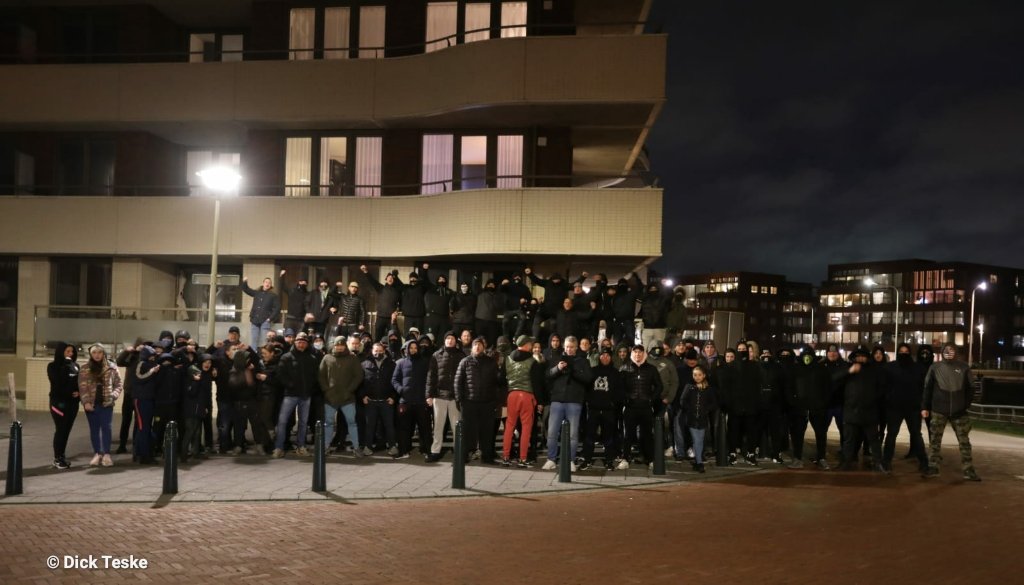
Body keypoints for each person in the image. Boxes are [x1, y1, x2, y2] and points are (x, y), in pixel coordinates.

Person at [922, 344, 980, 481]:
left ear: (956, 352)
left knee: (964, 442)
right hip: (938, 410)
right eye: (946, 350)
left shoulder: (964, 367)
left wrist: (965, 405)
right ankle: (933, 467)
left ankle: (969, 469)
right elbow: (927, 389)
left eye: (952, 350)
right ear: (942, 352)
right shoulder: (934, 367)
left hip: (959, 412)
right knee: (935, 441)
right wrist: (925, 407)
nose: (949, 353)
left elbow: (971, 388)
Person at [541, 336, 593, 471]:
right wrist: (557, 368)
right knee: (552, 432)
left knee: (573, 434)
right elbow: (547, 375)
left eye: (571, 347)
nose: (569, 349)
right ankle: (551, 459)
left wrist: (573, 371)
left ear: (576, 347)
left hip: (574, 401)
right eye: (567, 347)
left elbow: (588, 379)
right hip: (557, 400)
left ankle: (570, 460)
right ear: (564, 346)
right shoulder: (556, 359)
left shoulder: (583, 361)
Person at [835, 346, 886, 473]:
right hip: (851, 411)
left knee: (874, 440)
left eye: (863, 356)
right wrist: (849, 371)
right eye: (858, 356)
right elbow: (834, 379)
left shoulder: (874, 370)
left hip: (869, 412)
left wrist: (873, 400)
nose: (860, 358)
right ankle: (846, 462)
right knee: (849, 440)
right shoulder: (848, 368)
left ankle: (878, 462)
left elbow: (882, 388)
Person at [500, 335, 546, 467]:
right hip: (527, 396)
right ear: (526, 345)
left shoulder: (507, 359)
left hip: (512, 395)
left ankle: (506, 457)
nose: (532, 346)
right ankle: (523, 458)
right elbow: (537, 384)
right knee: (526, 428)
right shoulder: (533, 362)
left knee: (509, 426)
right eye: (530, 344)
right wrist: (540, 401)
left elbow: (501, 379)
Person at [454, 337, 501, 464]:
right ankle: (463, 456)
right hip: (469, 402)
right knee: (467, 431)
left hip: (487, 402)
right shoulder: (465, 362)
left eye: (480, 345)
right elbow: (458, 381)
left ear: (484, 348)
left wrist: (496, 400)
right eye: (475, 345)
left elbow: (498, 383)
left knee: (487, 431)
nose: (478, 347)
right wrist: (459, 399)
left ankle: (487, 457)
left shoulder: (491, 362)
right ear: (472, 348)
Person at [617, 345, 665, 469]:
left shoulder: (651, 369)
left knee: (647, 435)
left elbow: (659, 386)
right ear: (632, 353)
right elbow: (619, 387)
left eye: (640, 352)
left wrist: (651, 399)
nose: (638, 354)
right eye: (635, 352)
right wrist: (626, 398)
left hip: (646, 407)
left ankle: (650, 459)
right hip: (630, 407)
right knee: (628, 434)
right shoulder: (624, 368)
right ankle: (625, 459)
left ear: (644, 354)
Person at [272, 332, 319, 458]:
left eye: (304, 341)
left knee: (303, 423)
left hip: (306, 395)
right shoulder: (286, 357)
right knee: (282, 421)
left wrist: (310, 388)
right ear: (295, 342)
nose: (301, 343)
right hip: (290, 395)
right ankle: (279, 447)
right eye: (299, 341)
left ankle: (301, 446)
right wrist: (290, 385)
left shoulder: (312, 359)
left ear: (307, 344)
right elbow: (280, 375)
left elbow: (315, 377)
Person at [77, 343, 123, 467]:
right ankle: (98, 453)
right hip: (91, 404)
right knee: (94, 429)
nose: (97, 355)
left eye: (99, 352)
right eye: (94, 353)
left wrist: (113, 395)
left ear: (104, 353)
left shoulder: (111, 367)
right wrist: (86, 402)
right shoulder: (85, 368)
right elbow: (82, 387)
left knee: (106, 428)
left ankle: (107, 454)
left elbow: (119, 384)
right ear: (91, 354)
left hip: (106, 404)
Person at [318, 336, 365, 456]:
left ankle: (356, 447)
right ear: (334, 345)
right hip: (330, 397)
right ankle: (325, 446)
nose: (339, 347)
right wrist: (326, 390)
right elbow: (321, 376)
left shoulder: (352, 359)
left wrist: (350, 390)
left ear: (345, 345)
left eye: (341, 345)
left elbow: (358, 376)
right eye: (337, 345)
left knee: (352, 423)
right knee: (328, 423)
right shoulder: (327, 358)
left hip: (347, 398)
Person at [581, 348, 625, 470]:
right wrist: (590, 402)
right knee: (589, 436)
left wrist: (612, 404)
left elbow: (620, 391)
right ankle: (587, 460)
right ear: (599, 357)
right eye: (602, 355)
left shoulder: (615, 373)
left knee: (608, 436)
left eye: (607, 355)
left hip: (608, 410)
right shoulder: (592, 371)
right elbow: (586, 389)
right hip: (593, 409)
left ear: (611, 358)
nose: (605, 357)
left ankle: (609, 461)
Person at [425, 331, 464, 462]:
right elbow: (431, 377)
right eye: (447, 338)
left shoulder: (461, 355)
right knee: (438, 426)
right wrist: (428, 395)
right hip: (439, 395)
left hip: (455, 397)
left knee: (456, 426)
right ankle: (435, 451)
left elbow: (464, 377)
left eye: (452, 338)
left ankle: (458, 452)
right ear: (444, 340)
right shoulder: (436, 355)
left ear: (456, 341)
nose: (450, 341)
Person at [392, 338, 431, 458]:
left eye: (415, 348)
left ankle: (426, 450)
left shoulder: (425, 362)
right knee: (404, 428)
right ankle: (404, 451)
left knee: (424, 428)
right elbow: (394, 380)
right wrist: (401, 390)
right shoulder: (400, 363)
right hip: (405, 401)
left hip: (420, 401)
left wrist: (427, 395)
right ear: (407, 349)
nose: (413, 350)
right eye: (411, 348)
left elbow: (429, 380)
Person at [360, 342, 398, 456]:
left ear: (384, 351)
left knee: (389, 426)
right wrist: (363, 396)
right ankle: (368, 447)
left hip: (386, 401)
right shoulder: (364, 364)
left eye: (380, 350)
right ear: (372, 351)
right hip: (370, 401)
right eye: (376, 351)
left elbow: (395, 381)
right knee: (369, 426)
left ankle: (392, 446)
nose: (378, 353)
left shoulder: (391, 364)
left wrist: (393, 397)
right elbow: (360, 382)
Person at [679, 365, 718, 472]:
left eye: (699, 375)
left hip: (702, 419)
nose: (697, 377)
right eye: (695, 375)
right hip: (691, 418)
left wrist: (705, 410)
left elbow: (713, 403)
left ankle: (698, 460)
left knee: (699, 440)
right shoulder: (689, 386)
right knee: (696, 440)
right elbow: (682, 400)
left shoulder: (708, 388)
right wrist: (690, 410)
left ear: (704, 375)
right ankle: (699, 462)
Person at [48, 342, 80, 469]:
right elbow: (57, 383)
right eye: (67, 351)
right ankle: (57, 458)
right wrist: (66, 367)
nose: (70, 354)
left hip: (72, 404)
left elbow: (78, 382)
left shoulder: (76, 366)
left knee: (66, 430)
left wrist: (78, 392)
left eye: (72, 352)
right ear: (61, 352)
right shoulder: (53, 366)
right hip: (59, 403)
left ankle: (62, 456)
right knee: (60, 429)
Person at [242, 275, 281, 346]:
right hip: (254, 319)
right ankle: (254, 355)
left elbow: (277, 308)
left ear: (271, 285)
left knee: (265, 340)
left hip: (265, 320)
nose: (267, 284)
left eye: (269, 282)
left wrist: (270, 318)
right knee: (254, 340)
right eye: (266, 282)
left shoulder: (273, 295)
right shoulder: (257, 293)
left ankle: (264, 355)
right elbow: (246, 289)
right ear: (263, 283)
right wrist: (245, 281)